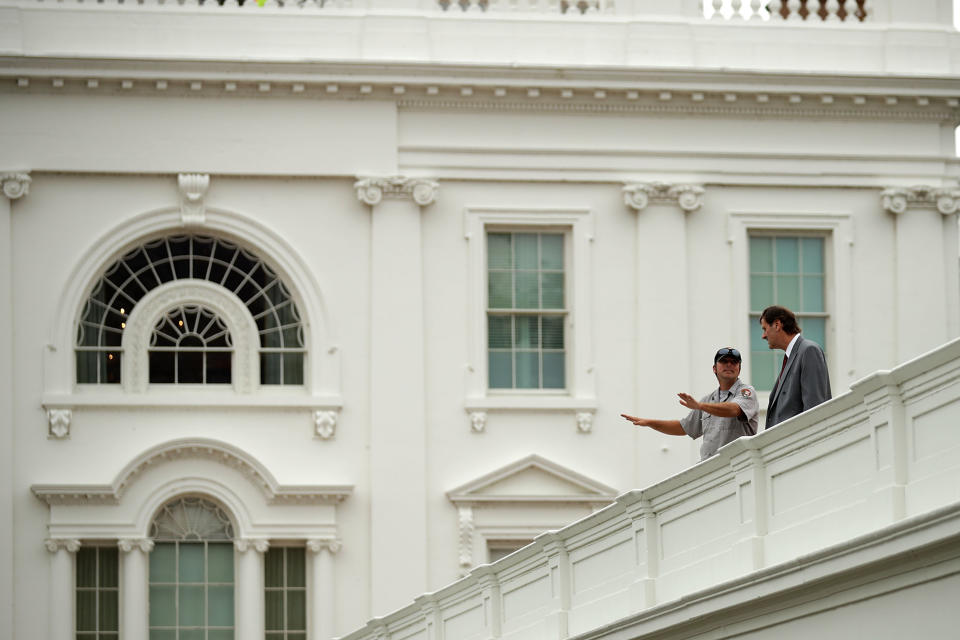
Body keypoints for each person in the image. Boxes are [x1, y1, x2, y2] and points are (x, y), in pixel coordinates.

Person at [621, 347, 759, 461]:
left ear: (739, 369)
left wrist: (700, 406)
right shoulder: (708, 399)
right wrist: (650, 422)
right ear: (714, 368)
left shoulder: (746, 392)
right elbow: (684, 427)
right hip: (710, 470)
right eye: (724, 361)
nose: (729, 364)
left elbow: (734, 410)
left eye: (734, 362)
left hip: (737, 467)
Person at [759, 305, 831, 429]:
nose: (763, 336)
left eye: (765, 329)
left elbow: (815, 408)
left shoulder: (809, 350)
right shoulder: (791, 357)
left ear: (777, 325)